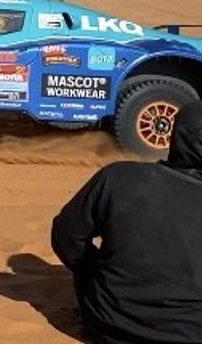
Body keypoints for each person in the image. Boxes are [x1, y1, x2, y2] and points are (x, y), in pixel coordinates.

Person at [51, 105, 202, 344]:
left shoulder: (117, 177)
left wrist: (94, 270)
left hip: (107, 325)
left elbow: (66, 237)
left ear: (174, 137)